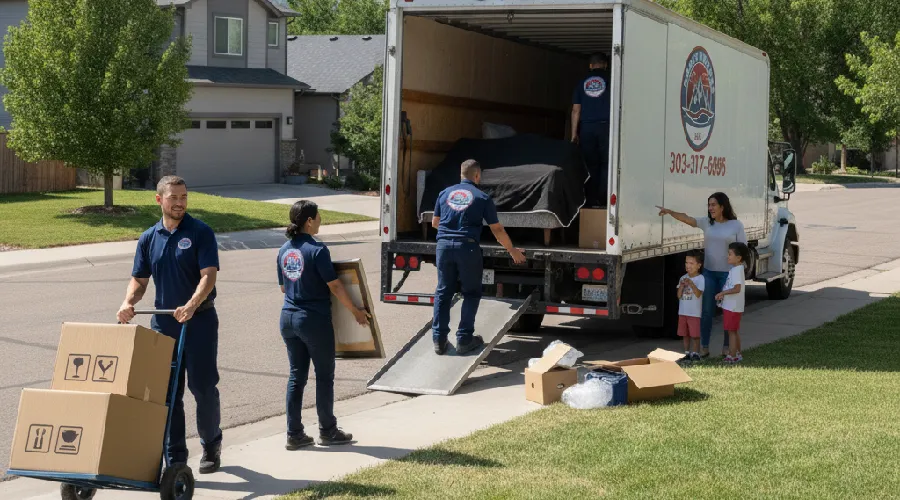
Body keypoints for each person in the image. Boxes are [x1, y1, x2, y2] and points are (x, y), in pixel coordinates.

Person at [117, 175, 223, 474]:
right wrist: (128, 303)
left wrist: (192, 304)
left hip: (199, 322)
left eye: (184, 197)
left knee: (203, 388)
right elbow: (139, 280)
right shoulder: (149, 238)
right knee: (168, 393)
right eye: (173, 197)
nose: (179, 203)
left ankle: (211, 444)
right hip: (165, 326)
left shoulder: (200, 232)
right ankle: (175, 458)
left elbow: (208, 275)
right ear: (159, 199)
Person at [277, 200, 369, 450]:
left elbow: (284, 287)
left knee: (296, 376)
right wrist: (356, 312)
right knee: (324, 376)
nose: (320, 220)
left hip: (288, 318)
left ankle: (294, 434)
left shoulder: (284, 249)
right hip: (312, 320)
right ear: (309, 221)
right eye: (318, 216)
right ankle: (328, 431)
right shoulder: (317, 250)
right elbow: (335, 285)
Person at [431, 159, 526, 356]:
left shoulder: (444, 193)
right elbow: (497, 229)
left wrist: (451, 233)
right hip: (467, 248)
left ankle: (439, 340)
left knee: (443, 292)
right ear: (477, 175)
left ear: (460, 174)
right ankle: (464, 339)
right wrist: (512, 250)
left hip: (443, 246)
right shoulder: (482, 197)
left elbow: (435, 223)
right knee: (471, 293)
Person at [656, 192, 747, 357]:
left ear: (722, 207)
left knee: (727, 311)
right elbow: (687, 219)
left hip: (728, 275)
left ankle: (727, 347)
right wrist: (670, 212)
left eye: (713, 205)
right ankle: (704, 347)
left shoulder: (736, 225)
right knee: (706, 311)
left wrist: (739, 273)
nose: (710, 208)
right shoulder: (707, 222)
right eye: (709, 205)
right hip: (709, 273)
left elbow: (742, 251)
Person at [571, 52, 612, 207]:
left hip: (587, 128)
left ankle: (590, 200)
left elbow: (576, 110)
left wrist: (574, 134)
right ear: (606, 65)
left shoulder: (581, 82)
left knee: (590, 165)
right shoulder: (611, 80)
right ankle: (604, 199)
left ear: (590, 65)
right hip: (606, 127)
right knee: (607, 163)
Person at [716, 242, 750, 364]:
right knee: (733, 331)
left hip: (733, 307)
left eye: (730, 254)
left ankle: (732, 355)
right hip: (732, 306)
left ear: (739, 258)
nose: (728, 256)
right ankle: (737, 353)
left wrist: (722, 293)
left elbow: (737, 288)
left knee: (731, 331)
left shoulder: (736, 270)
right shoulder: (736, 269)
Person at [677, 250, 705, 361]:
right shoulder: (682, 277)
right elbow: (679, 296)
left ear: (699, 265)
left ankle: (696, 353)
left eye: (691, 263)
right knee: (685, 334)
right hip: (683, 312)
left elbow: (698, 294)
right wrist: (681, 286)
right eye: (686, 263)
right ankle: (687, 353)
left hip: (694, 313)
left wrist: (692, 284)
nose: (688, 266)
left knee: (695, 334)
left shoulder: (700, 278)